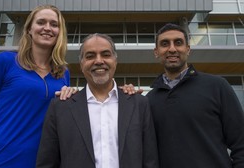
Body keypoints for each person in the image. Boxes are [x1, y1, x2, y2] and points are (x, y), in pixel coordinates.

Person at [0, 5, 74, 168]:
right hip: (2, 162)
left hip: (45, 163)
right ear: (29, 29)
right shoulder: (5, 62)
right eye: (41, 22)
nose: (47, 28)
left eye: (54, 24)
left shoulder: (63, 73)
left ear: (60, 32)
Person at [36, 33, 159, 168]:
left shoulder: (139, 104)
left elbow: (150, 160)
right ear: (81, 64)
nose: (99, 61)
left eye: (106, 55)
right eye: (90, 56)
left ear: (115, 61)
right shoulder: (60, 107)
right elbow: (47, 162)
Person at [147, 23, 244, 167]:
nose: (172, 49)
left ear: (188, 49)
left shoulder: (217, 86)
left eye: (178, 43)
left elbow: (241, 143)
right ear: (156, 52)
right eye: (165, 44)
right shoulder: (149, 100)